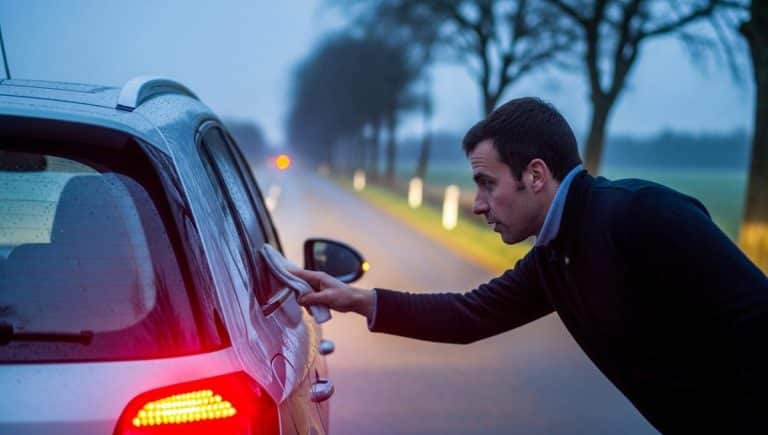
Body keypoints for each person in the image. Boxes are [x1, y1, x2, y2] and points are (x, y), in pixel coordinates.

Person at [292, 97, 768, 434]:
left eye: (486, 183)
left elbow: (756, 319)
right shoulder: (553, 256)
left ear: (535, 175)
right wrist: (355, 299)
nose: (478, 204)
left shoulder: (641, 214)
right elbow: (468, 315)